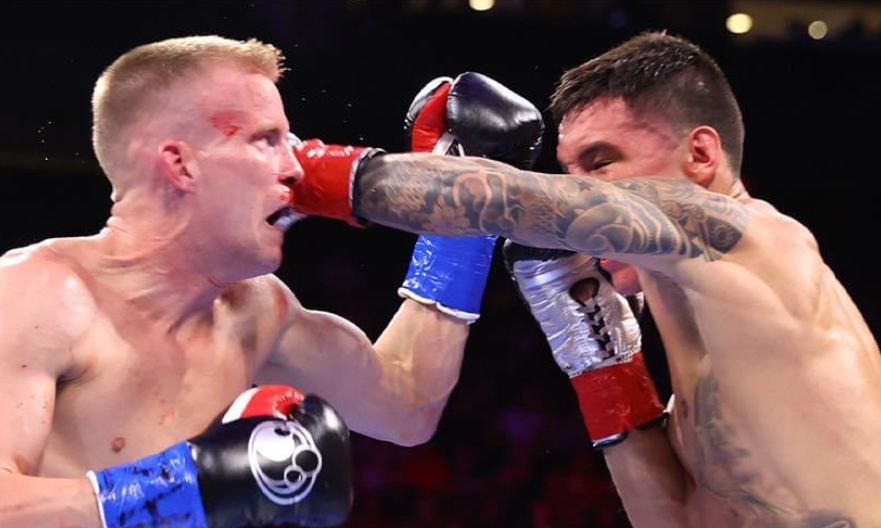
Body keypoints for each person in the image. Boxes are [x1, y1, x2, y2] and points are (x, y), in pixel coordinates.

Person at [287, 31, 881, 527]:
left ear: (701, 156)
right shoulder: (714, 372)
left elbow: (514, 199)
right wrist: (604, 364)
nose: (582, 193)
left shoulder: (750, 236)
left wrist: (295, 171)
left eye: (601, 164)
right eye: (572, 173)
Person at [0, 36, 544, 528]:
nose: (297, 167)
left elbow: (406, 406)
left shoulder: (255, 310)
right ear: (180, 164)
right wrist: (186, 490)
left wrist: (465, 224)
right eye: (266, 141)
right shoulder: (38, 294)